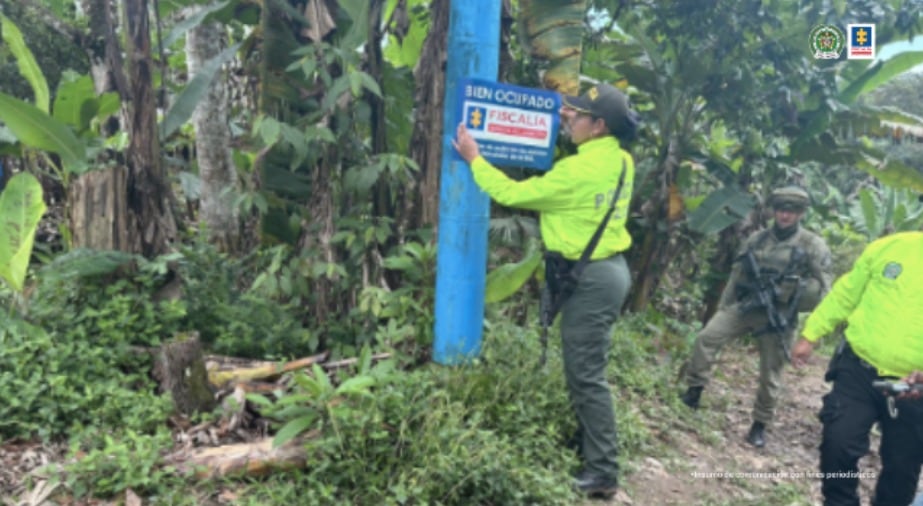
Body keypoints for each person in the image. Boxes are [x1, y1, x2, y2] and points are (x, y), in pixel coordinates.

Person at [453, 82, 638, 498]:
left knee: (587, 374)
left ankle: (603, 471)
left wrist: (474, 158)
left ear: (599, 126)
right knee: (584, 367)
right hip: (608, 270)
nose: (568, 118)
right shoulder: (621, 160)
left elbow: (511, 193)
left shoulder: (578, 170)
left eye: (576, 115)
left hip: (589, 277)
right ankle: (590, 446)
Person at [679, 186, 833, 448]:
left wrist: (812, 328)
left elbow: (826, 287)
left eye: (792, 211)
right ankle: (694, 392)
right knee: (707, 338)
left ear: (801, 213)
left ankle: (759, 425)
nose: (785, 216)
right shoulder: (757, 239)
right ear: (773, 211)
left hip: (779, 316)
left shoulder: (812, 245)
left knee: (770, 372)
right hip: (747, 306)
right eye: (781, 210)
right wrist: (724, 308)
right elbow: (736, 276)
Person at [791, 231, 923, 506]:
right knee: (837, 444)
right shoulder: (888, 247)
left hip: (914, 387)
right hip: (859, 369)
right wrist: (811, 334)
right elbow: (846, 294)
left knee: (902, 468)